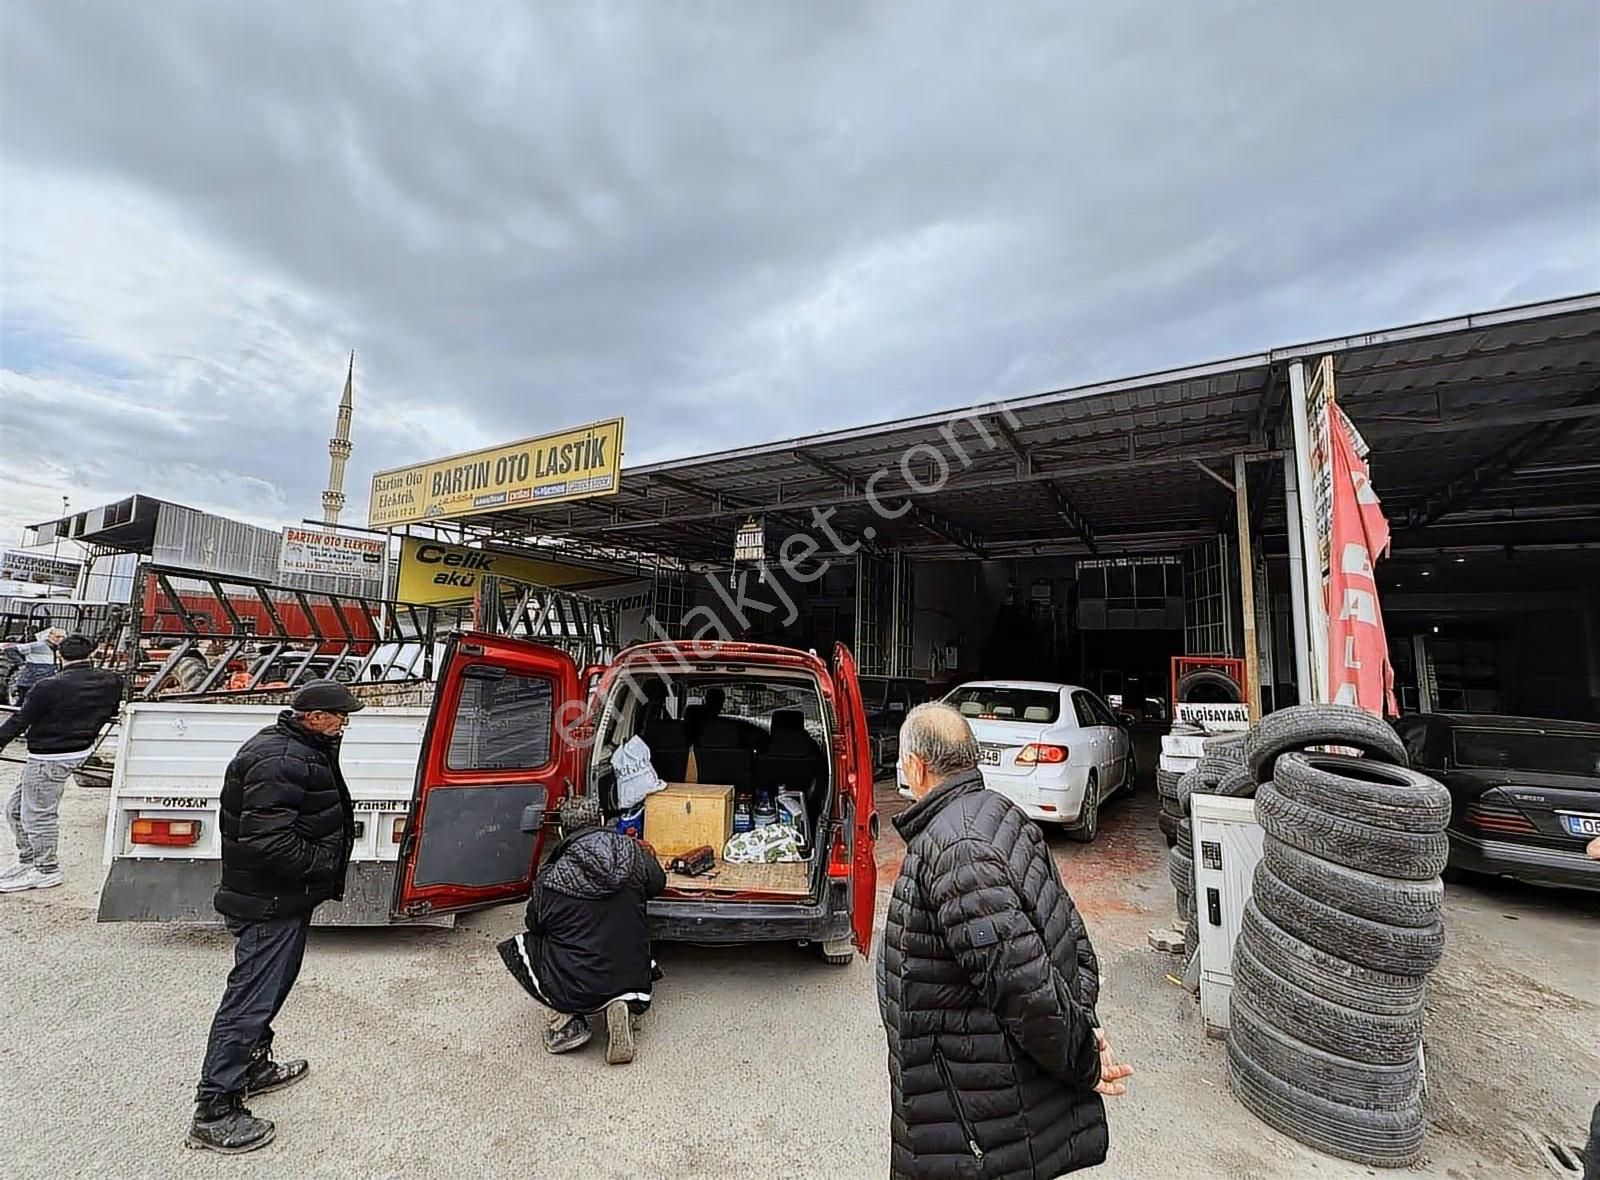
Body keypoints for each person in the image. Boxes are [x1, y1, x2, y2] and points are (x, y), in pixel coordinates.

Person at [878, 702, 1132, 1179]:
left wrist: (1082, 1056)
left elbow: (1026, 985)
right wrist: (1083, 1023)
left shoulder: (959, 852)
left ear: (916, 765)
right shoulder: (999, 814)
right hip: (983, 1102)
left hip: (975, 1122)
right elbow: (1072, 938)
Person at [187, 679, 361, 1155]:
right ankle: (215, 1108)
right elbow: (267, 841)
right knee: (250, 1000)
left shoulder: (302, 748)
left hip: (280, 898)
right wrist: (324, 864)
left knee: (268, 991)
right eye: (340, 715)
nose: (345, 723)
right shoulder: (282, 758)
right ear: (314, 716)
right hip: (268, 902)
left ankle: (253, 1067)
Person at [497, 793, 666, 1066]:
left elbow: (534, 924)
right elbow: (658, 883)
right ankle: (620, 1004)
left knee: (523, 947)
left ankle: (566, 1025)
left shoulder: (550, 878)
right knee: (625, 930)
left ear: (563, 830)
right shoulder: (632, 852)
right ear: (600, 820)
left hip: (579, 986)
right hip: (632, 974)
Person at [0, 633, 123, 893]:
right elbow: (111, 710)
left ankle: (46, 869)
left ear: (59, 655)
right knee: (15, 809)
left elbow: (19, 721)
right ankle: (29, 860)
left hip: (49, 755)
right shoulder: (111, 681)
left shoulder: (47, 686)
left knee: (37, 815)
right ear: (92, 653)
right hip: (78, 750)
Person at [1, 626, 67, 704]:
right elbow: (9, 649)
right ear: (50, 636)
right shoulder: (37, 646)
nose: (60, 639)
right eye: (57, 637)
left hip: (46, 683)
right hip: (30, 683)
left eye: (63, 637)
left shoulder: (59, 650)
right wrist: (21, 664)